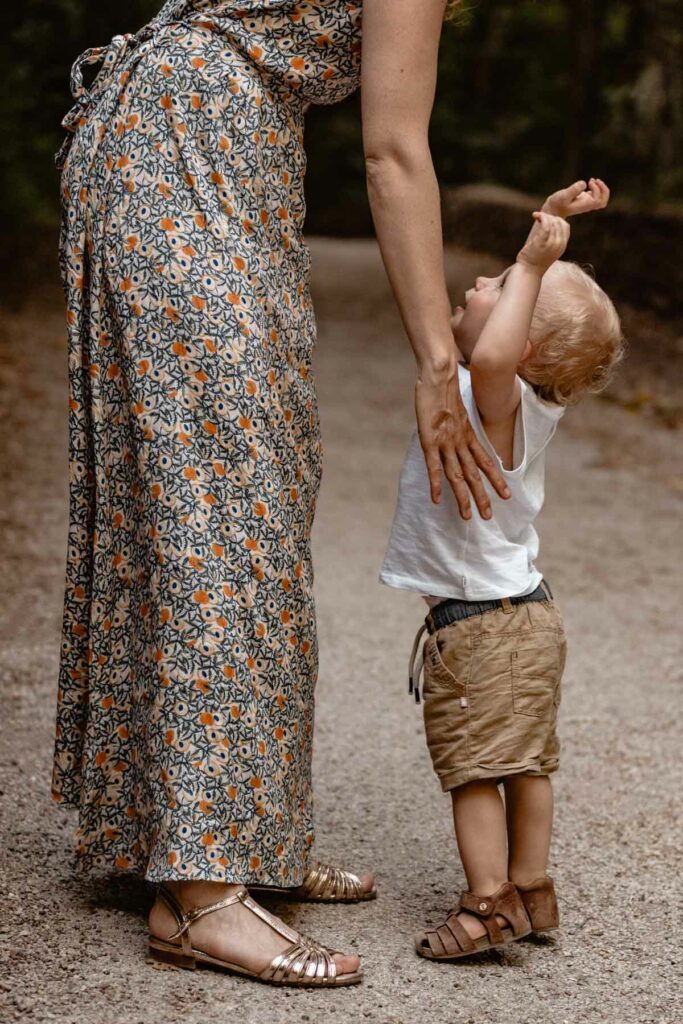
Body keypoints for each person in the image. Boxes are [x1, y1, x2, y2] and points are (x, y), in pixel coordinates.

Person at [52, 0, 506, 988]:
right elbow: (392, 152)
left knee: (223, 496)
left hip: (199, 145)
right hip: (190, 153)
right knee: (222, 513)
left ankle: (226, 832)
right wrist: (438, 361)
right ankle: (201, 894)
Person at [379, 179, 624, 960]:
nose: (479, 282)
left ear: (521, 352)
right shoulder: (505, 399)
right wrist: (547, 240)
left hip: (483, 628)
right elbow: (486, 341)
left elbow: (488, 351)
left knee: (475, 771)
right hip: (523, 615)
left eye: (501, 288)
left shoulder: (499, 400)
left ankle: (487, 906)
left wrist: (530, 260)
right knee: (526, 762)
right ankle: (531, 889)